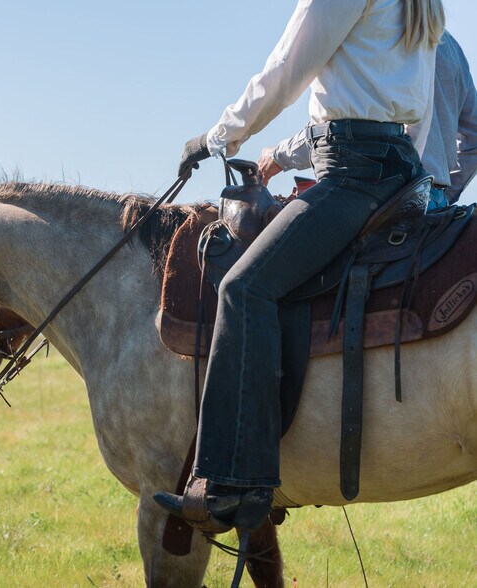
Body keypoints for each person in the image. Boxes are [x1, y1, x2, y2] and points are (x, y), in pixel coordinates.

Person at [153, 0, 445, 533]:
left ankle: (233, 482)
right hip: (397, 170)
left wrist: (219, 137)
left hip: (353, 175)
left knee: (244, 287)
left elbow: (288, 66)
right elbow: (418, 106)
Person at [259, 30, 477, 209]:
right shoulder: (449, 45)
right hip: (434, 200)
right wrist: (443, 195)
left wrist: (279, 155)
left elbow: (345, 127)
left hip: (376, 197)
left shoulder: (374, 33)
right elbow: (474, 137)